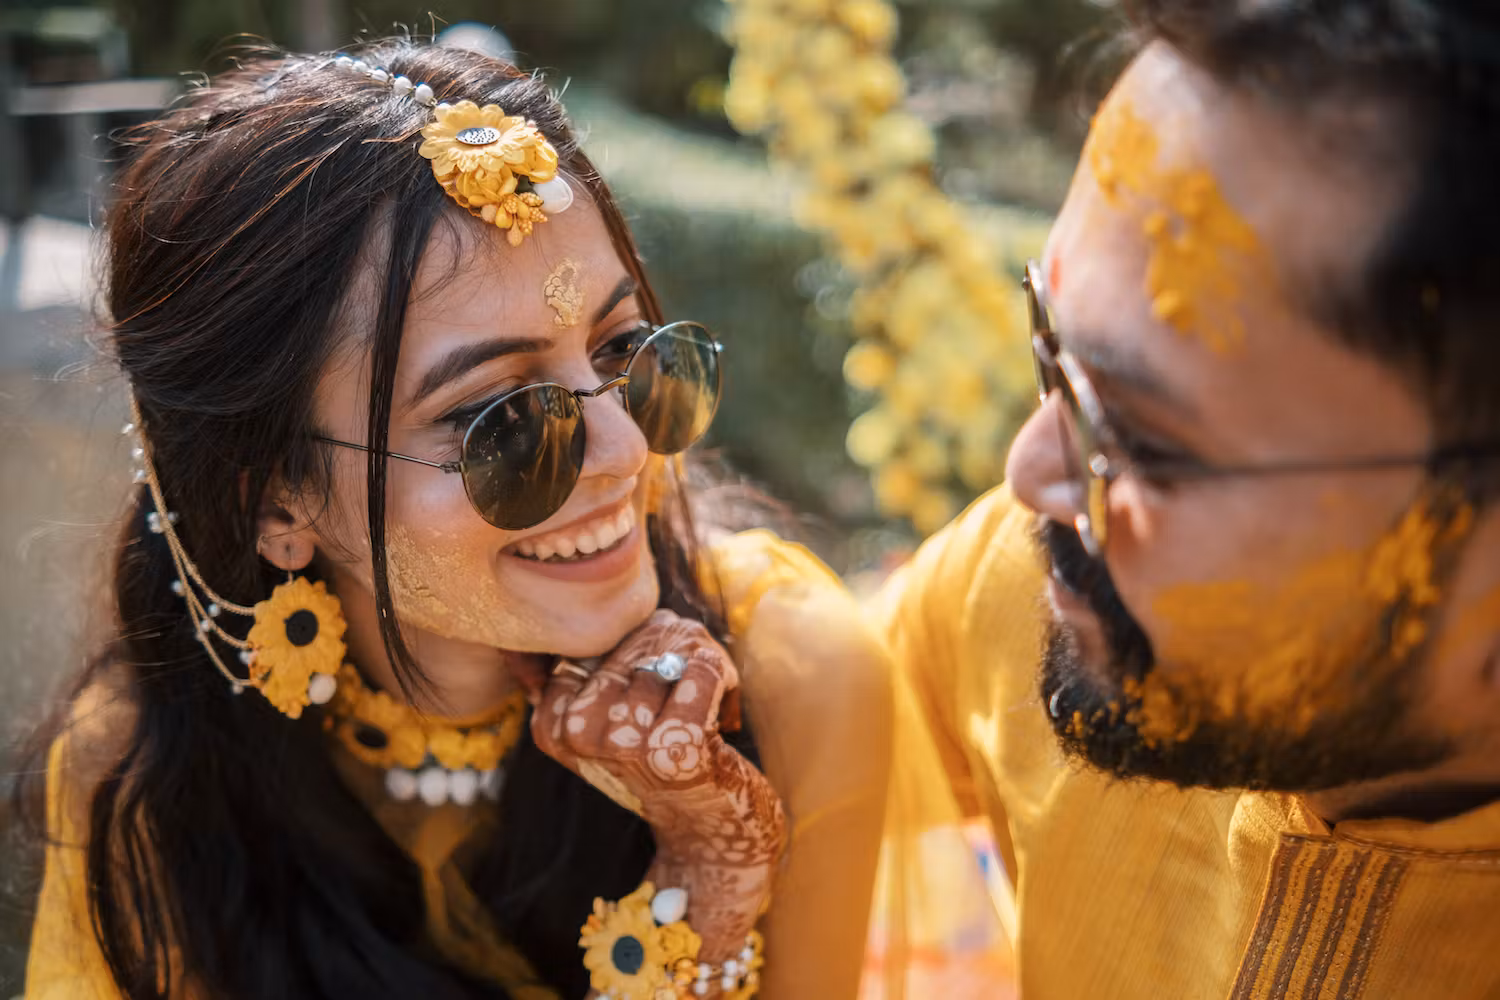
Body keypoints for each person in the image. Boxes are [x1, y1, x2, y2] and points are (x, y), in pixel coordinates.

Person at [21, 40, 895, 999]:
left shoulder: (793, 680)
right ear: (271, 498)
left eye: (623, 350)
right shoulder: (146, 775)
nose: (626, 451)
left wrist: (713, 866)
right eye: (497, 418)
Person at [876, 0, 1500, 996]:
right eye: (1053, 349)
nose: (1028, 470)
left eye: (1141, 440)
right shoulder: (1029, 588)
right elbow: (802, 713)